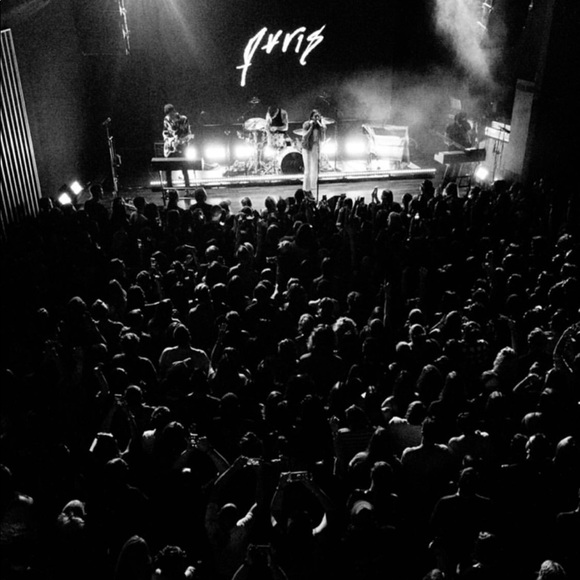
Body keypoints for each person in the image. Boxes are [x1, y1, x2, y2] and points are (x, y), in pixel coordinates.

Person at [162, 104, 193, 187]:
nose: (170, 116)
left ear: (173, 111)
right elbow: (165, 133)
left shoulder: (183, 119)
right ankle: (170, 189)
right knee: (168, 169)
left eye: (170, 114)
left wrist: (183, 140)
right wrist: (171, 141)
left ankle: (187, 188)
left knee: (184, 168)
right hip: (171, 149)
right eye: (168, 115)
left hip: (182, 148)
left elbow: (188, 134)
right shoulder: (167, 119)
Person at [301, 109, 326, 200]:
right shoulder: (306, 124)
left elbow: (322, 139)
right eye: (315, 116)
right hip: (307, 148)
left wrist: (323, 130)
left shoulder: (320, 126)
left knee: (314, 170)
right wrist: (311, 127)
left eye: (318, 116)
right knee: (307, 170)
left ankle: (310, 189)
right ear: (311, 117)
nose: (317, 118)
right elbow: (305, 137)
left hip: (315, 148)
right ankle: (306, 190)